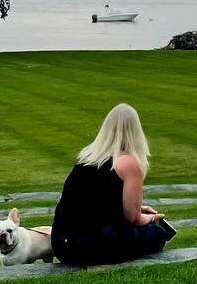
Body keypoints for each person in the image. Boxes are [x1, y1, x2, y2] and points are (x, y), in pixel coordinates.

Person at [49, 102, 175, 268]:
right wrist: (152, 218)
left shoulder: (87, 159)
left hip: (62, 245)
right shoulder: (129, 163)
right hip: (93, 244)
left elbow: (95, 203)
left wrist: (139, 208)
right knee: (158, 233)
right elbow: (133, 218)